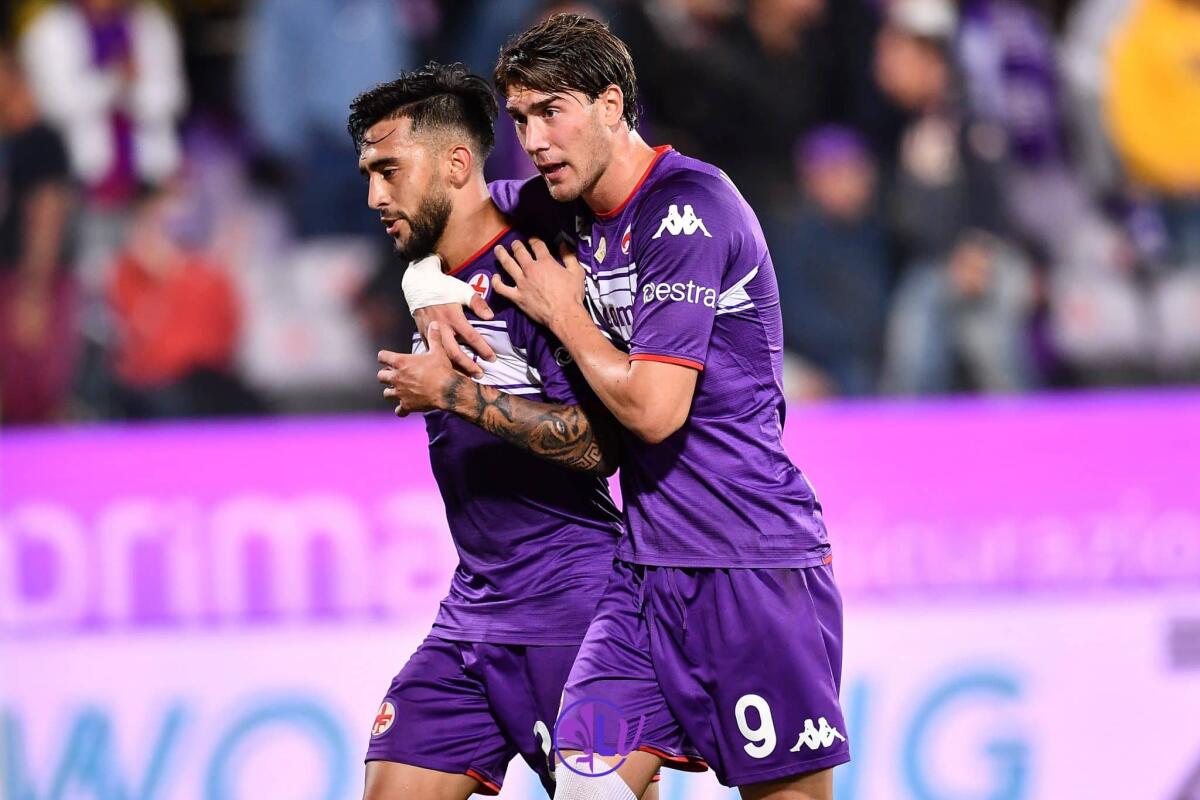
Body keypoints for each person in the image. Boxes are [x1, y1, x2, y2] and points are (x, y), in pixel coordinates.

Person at [387, 15, 848, 800]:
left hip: (751, 560)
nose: (534, 140)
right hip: (643, 574)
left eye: (552, 111)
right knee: (589, 789)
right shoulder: (558, 206)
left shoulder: (689, 208)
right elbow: (446, 219)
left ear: (611, 105)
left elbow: (655, 411)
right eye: (521, 119)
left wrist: (566, 313)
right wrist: (428, 293)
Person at [348, 62, 633, 800]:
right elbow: (435, 262)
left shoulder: (533, 272)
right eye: (367, 174)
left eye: (389, 170)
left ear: (456, 163)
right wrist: (420, 284)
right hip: (474, 607)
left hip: (571, 602)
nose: (375, 195)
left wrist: (453, 393)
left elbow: (599, 446)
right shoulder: (427, 276)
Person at [0, 43, 76, 424]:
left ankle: (45, 479)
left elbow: (47, 220)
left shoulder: (42, 141)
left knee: (35, 394)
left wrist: (34, 292)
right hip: (15, 279)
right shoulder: (12, 142)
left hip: (34, 282)